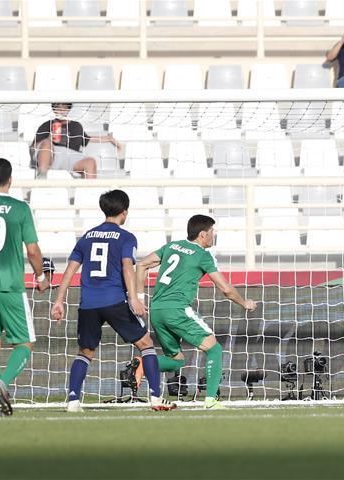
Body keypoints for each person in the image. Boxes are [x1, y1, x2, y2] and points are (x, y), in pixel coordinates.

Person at [51, 190, 174, 412]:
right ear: (124, 212)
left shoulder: (87, 236)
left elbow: (70, 270)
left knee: (85, 352)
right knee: (146, 344)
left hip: (88, 304)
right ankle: (156, 398)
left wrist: (59, 300)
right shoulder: (126, 237)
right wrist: (134, 297)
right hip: (115, 301)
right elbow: (128, 266)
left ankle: (72, 400)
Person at [130, 214, 257, 410]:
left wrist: (140, 298)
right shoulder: (203, 256)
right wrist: (244, 303)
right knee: (214, 348)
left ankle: (143, 364)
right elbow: (225, 289)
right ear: (202, 234)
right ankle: (211, 400)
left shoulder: (172, 246)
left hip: (157, 310)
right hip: (177, 309)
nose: (214, 236)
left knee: (176, 361)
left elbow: (142, 264)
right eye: (212, 232)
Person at [0, 158, 49, 417]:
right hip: (11, 287)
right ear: (11, 179)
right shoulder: (20, 209)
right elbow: (33, 250)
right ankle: (3, 382)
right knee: (24, 344)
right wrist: (40, 276)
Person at [30, 102, 120, 179]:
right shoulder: (46, 125)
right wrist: (49, 138)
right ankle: (42, 179)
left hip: (70, 156)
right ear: (54, 110)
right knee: (46, 143)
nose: (61, 110)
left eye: (64, 107)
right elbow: (34, 148)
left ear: (68, 109)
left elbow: (88, 139)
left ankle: (90, 193)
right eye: (58, 108)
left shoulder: (76, 126)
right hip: (52, 156)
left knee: (90, 162)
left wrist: (108, 138)